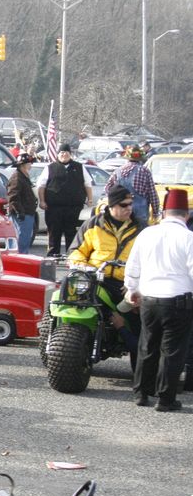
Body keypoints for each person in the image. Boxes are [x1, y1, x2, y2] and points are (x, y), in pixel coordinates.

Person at [124, 188, 193, 411]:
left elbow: (133, 267)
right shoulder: (189, 237)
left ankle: (142, 393)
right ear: (187, 214)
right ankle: (165, 398)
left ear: (163, 213)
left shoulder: (147, 234)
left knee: (147, 345)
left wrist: (132, 290)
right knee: (172, 351)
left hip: (149, 298)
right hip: (178, 299)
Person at [69, 185, 143, 362]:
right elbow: (77, 251)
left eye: (131, 204)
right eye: (124, 205)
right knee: (66, 298)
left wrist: (136, 285)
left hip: (125, 284)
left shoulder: (140, 228)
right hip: (94, 279)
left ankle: (139, 364)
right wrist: (83, 267)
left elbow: (149, 260)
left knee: (139, 319)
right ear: (112, 206)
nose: (129, 208)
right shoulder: (93, 224)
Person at [38, 143, 92, 257]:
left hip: (74, 208)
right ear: (58, 154)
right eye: (62, 152)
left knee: (72, 233)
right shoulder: (50, 167)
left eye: (66, 152)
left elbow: (87, 184)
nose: (64, 155)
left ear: (70, 154)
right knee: (54, 233)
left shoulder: (79, 167)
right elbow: (41, 185)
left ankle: (71, 256)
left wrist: (90, 199)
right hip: (54, 208)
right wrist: (42, 201)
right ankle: (53, 255)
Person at [105, 145, 159, 224]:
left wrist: (114, 202)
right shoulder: (145, 171)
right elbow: (152, 194)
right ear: (140, 159)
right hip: (140, 213)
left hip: (121, 212)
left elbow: (107, 188)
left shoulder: (118, 171)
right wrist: (155, 212)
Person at [6, 152, 38, 254]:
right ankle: (18, 261)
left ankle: (22, 258)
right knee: (20, 240)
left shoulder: (23, 176)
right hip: (21, 214)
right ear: (23, 165)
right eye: (29, 163)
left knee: (24, 239)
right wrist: (19, 211)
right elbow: (12, 196)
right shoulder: (17, 177)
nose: (31, 165)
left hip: (27, 212)